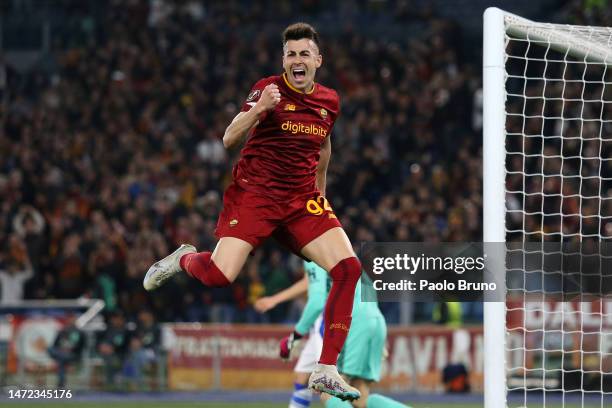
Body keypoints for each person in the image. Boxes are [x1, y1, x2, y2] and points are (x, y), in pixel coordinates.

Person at [143, 22, 362, 400]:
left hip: (300, 201)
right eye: (291, 54)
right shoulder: (268, 89)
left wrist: (321, 197)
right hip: (255, 197)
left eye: (304, 54)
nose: (297, 60)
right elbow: (229, 137)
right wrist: (260, 109)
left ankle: (325, 368)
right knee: (218, 276)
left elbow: (323, 148)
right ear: (283, 60)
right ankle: (184, 259)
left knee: (349, 268)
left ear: (318, 61)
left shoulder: (330, 101)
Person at [255, 261, 411, 408]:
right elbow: (311, 281)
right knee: (360, 396)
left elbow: (316, 301)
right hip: (375, 319)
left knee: (329, 389)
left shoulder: (312, 254)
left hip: (352, 322)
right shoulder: (341, 251)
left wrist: (294, 336)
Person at [47, 313, 85, 388]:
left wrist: (69, 349)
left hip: (73, 354)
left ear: (75, 320)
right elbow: (55, 344)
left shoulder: (79, 332)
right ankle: (61, 384)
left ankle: (61, 384)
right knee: (51, 350)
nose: (70, 320)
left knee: (61, 360)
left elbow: (81, 345)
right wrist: (62, 349)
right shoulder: (62, 331)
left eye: (72, 318)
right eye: (69, 318)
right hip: (61, 353)